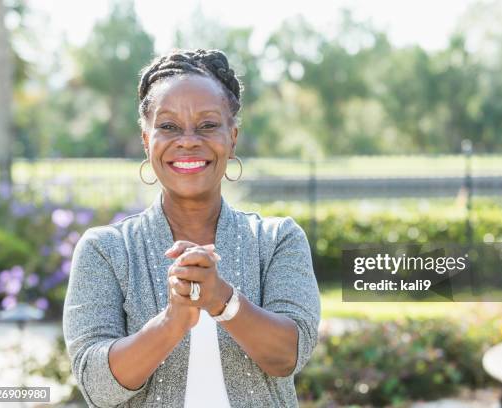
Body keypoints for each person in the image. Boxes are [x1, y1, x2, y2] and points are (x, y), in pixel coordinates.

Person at [62, 48, 321, 408]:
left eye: (208, 125)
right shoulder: (105, 250)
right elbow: (97, 386)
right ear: (145, 140)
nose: (187, 141)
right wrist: (171, 322)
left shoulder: (277, 240)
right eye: (168, 126)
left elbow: (288, 356)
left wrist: (222, 300)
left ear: (232, 138)